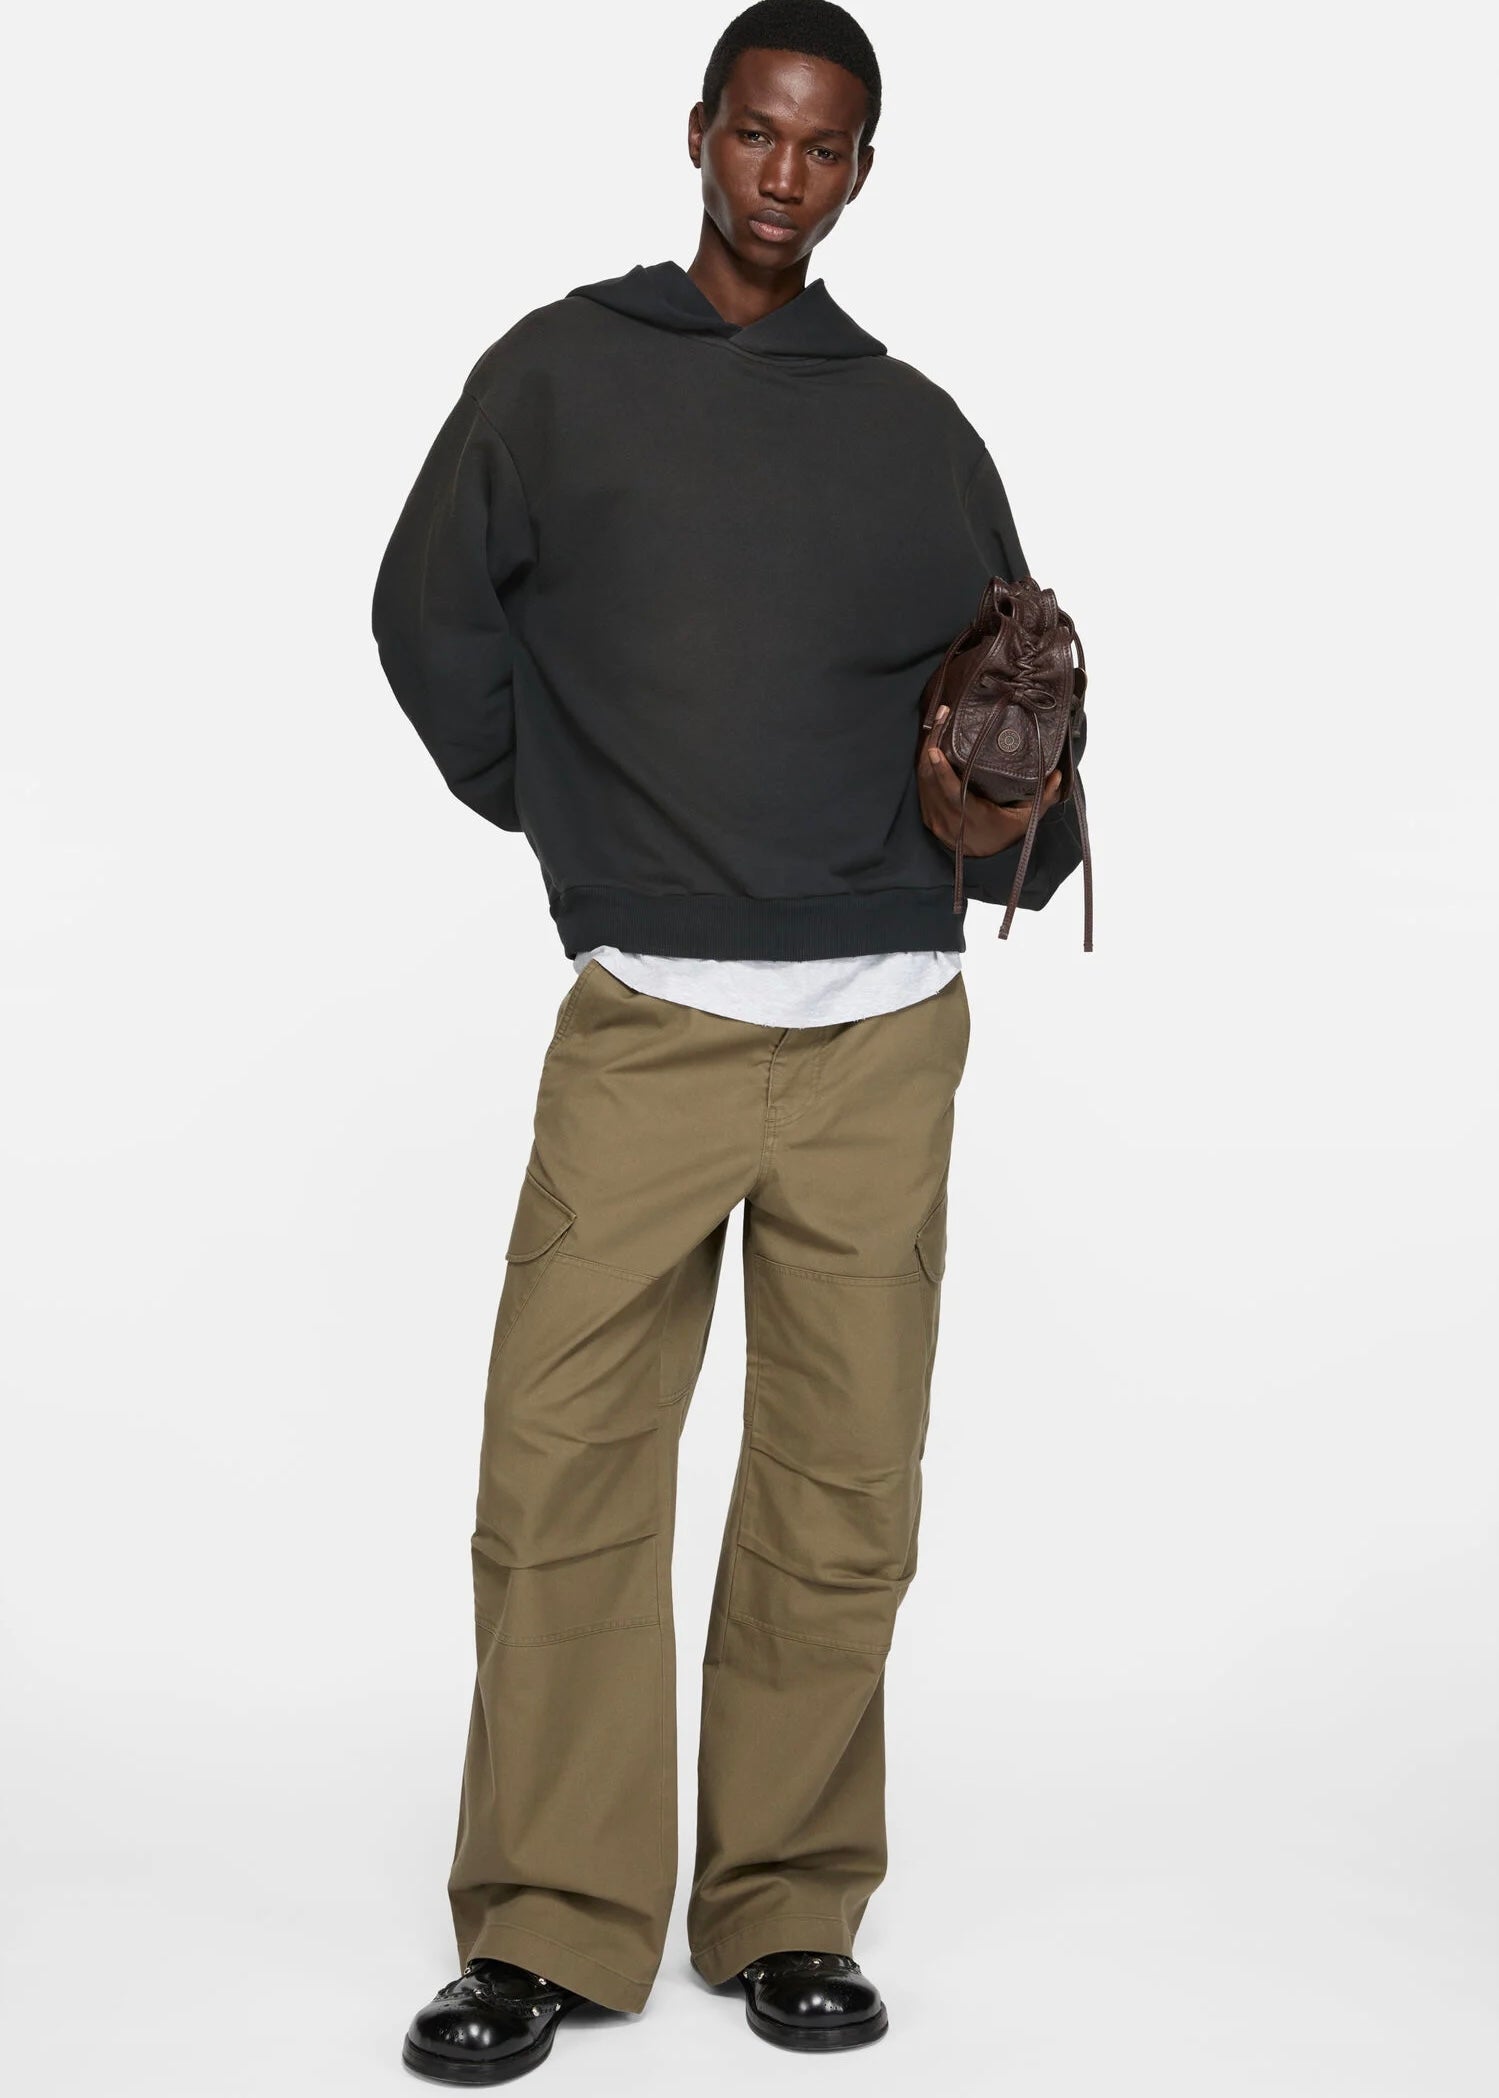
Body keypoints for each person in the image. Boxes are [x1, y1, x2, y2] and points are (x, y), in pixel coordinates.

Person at [371, 0, 1087, 2078]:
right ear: (699, 135)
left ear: (862, 170)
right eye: (759, 134)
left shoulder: (916, 425)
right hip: (652, 1025)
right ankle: (545, 1920)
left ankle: (787, 1903)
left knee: (842, 1488)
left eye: (827, 146)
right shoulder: (560, 374)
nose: (787, 175)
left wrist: (1007, 823)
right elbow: (427, 612)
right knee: (561, 1465)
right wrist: (572, 809)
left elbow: (1017, 677)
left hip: (885, 1029)